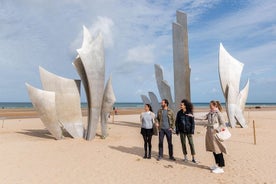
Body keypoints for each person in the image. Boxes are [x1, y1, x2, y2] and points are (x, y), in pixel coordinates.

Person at [205, 100, 227, 174]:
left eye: (211, 106)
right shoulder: (210, 113)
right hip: (210, 134)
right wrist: (192, 115)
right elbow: (203, 117)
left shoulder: (218, 113)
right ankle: (217, 164)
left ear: (215, 106)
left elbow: (223, 124)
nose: (210, 107)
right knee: (214, 149)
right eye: (209, 106)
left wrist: (216, 130)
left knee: (218, 150)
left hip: (215, 134)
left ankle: (221, 167)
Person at [175, 99, 197, 163]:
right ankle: (185, 157)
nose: (180, 106)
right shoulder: (179, 113)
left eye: (181, 105)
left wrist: (192, 130)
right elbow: (177, 122)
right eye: (180, 105)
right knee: (183, 144)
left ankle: (193, 158)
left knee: (191, 144)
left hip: (189, 131)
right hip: (181, 131)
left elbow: (192, 123)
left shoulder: (190, 113)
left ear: (185, 106)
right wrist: (177, 130)